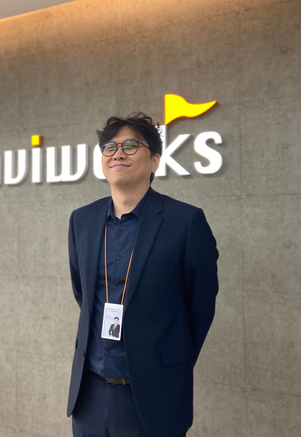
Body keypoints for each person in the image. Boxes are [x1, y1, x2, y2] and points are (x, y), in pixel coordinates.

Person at [66, 113, 219, 437]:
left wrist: (167, 363)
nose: (117, 154)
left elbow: (200, 306)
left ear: (155, 161)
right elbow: (83, 294)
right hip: (89, 396)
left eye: (130, 145)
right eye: (109, 147)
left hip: (154, 397)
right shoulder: (82, 220)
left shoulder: (185, 222)